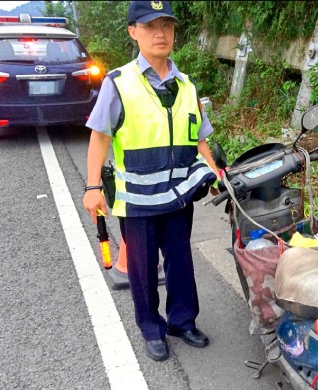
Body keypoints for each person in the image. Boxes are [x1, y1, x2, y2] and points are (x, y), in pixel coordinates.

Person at [83, 1, 219, 362]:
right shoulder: (119, 83)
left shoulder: (187, 85)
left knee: (180, 260)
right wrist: (93, 187)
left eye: (167, 25)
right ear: (133, 32)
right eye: (149, 25)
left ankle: (182, 322)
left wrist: (214, 172)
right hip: (138, 200)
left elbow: (200, 136)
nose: (160, 33)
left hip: (178, 197)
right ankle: (152, 328)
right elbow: (100, 136)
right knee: (142, 272)